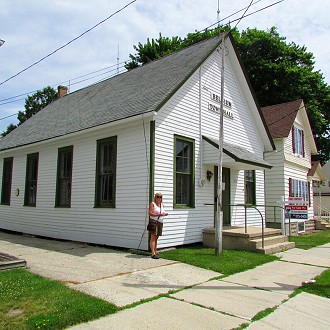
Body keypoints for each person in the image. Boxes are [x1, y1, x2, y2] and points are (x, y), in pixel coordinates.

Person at [148, 192, 168, 259]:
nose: (159, 198)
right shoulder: (152, 204)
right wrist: (159, 215)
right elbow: (150, 213)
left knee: (156, 237)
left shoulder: (162, 205)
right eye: (158, 197)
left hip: (160, 222)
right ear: (155, 197)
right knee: (153, 237)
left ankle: (155, 251)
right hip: (154, 222)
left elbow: (162, 212)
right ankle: (153, 253)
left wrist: (165, 214)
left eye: (160, 197)